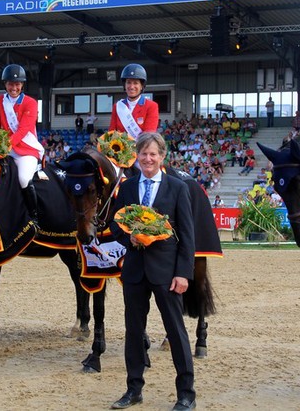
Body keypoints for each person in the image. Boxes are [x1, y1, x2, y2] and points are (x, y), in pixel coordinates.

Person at [109, 132, 196, 411]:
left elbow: (187, 234)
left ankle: (186, 394)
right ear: (137, 156)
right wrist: (129, 239)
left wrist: (183, 273)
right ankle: (133, 389)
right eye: (143, 154)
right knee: (134, 332)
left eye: (153, 154)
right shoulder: (128, 187)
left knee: (176, 332)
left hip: (167, 273)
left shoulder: (178, 187)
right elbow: (115, 226)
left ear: (162, 157)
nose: (148, 159)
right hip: (134, 271)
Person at [0, 64, 44, 221]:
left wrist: (4, 145)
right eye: (10, 84)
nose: (14, 87)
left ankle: (34, 216)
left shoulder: (31, 103)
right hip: (5, 149)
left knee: (23, 178)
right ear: (5, 84)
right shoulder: (0, 101)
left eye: (17, 84)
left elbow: (23, 131)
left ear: (22, 85)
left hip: (26, 149)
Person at [109, 63, 159, 136]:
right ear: (125, 85)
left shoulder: (151, 106)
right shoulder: (117, 106)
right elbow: (111, 133)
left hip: (142, 146)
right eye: (128, 82)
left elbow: (148, 135)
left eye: (136, 83)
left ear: (142, 86)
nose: (131, 87)